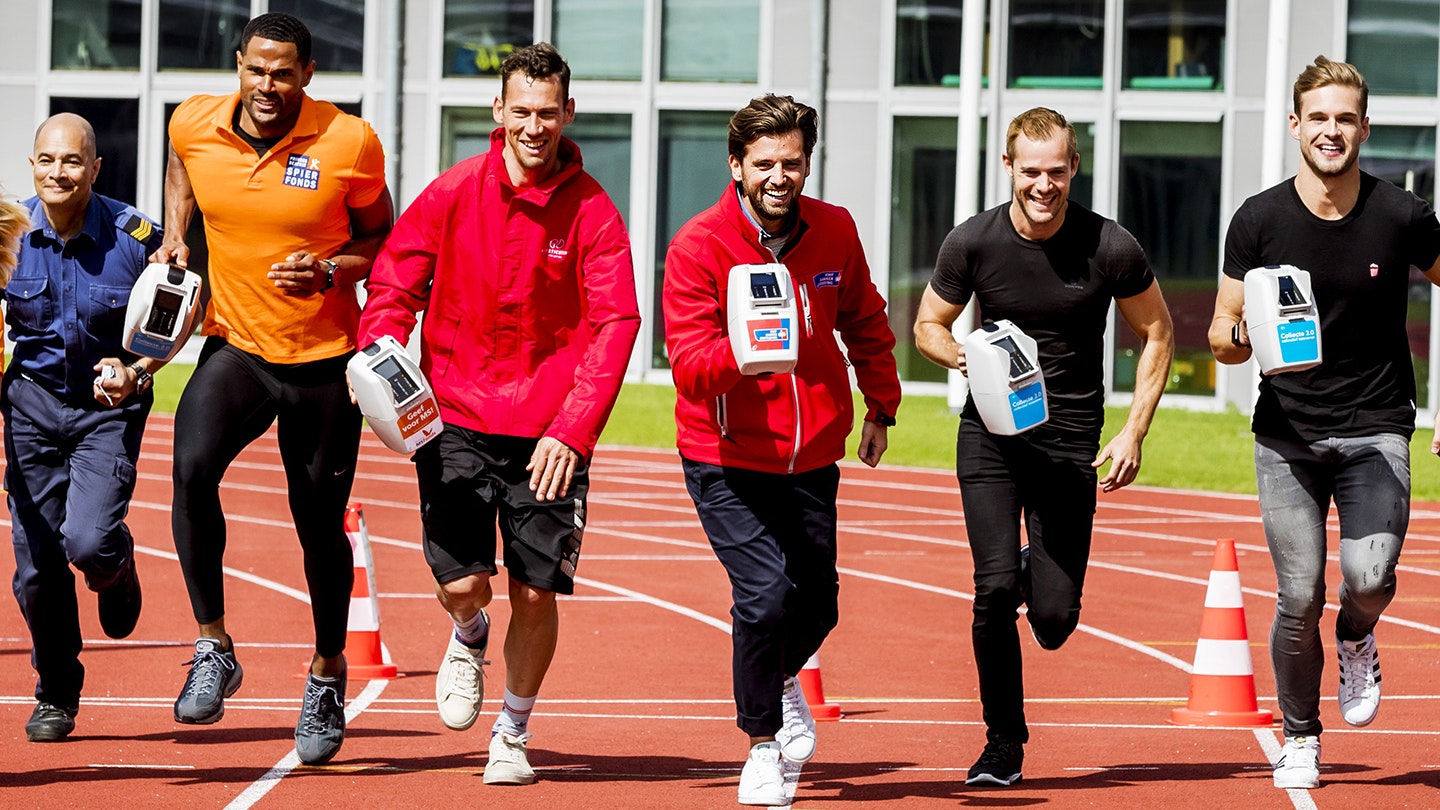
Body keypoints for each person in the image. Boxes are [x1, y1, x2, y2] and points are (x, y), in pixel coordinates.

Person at [356, 42, 639, 786]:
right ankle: (468, 632)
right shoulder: (452, 193)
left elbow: (616, 325)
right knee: (463, 585)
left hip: (550, 432)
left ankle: (512, 732)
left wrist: (573, 431)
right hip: (452, 419)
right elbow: (393, 286)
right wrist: (382, 354)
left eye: (549, 113)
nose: (535, 126)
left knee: (537, 589)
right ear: (498, 111)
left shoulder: (595, 213)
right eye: (522, 111)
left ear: (568, 114)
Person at [149, 12, 392, 766]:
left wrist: (328, 270)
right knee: (188, 471)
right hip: (237, 345)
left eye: (283, 73)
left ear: (307, 75)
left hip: (322, 359)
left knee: (315, 523)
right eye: (256, 70)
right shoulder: (194, 121)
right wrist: (177, 230)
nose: (267, 85)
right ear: (238, 64)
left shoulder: (349, 142)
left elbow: (382, 237)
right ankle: (213, 645)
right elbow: (181, 162)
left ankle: (325, 673)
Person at [913, 107, 1174, 787]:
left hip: (1069, 444)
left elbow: (1158, 332)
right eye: (1031, 171)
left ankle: (1037, 566)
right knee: (993, 590)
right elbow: (927, 327)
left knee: (1054, 621)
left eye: (1057, 171)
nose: (1044, 184)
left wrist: (1133, 429)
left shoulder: (1110, 246)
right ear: (1009, 167)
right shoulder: (973, 242)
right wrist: (970, 361)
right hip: (991, 438)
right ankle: (1004, 743)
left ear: (1074, 168)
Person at [663, 94, 902, 807]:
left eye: (791, 162)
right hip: (725, 456)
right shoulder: (698, 244)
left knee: (819, 606)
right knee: (764, 600)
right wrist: (748, 353)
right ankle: (761, 743)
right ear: (736, 165)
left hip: (811, 457)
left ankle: (777, 679)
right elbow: (687, 367)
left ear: (806, 164)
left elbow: (866, 319)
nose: (778, 175)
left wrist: (881, 406)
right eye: (763, 162)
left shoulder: (834, 231)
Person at [1208, 56, 1440, 791]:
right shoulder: (1258, 219)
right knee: (1299, 593)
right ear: (1295, 125)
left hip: (1376, 427)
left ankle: (1358, 632)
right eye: (1319, 118)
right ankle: (1300, 735)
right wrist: (1250, 339)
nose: (1331, 131)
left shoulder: (1402, 214)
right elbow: (1219, 330)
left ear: (1364, 128)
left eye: (1345, 118)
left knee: (1368, 577)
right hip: (1287, 436)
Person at [3, 113, 167, 742]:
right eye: (47, 160)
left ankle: (115, 569)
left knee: (87, 541)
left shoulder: (135, 234)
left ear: (96, 169)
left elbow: (185, 309)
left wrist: (137, 369)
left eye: (72, 162)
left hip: (107, 410)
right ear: (32, 165)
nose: (58, 173)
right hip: (32, 407)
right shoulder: (8, 231)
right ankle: (56, 692)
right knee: (37, 565)